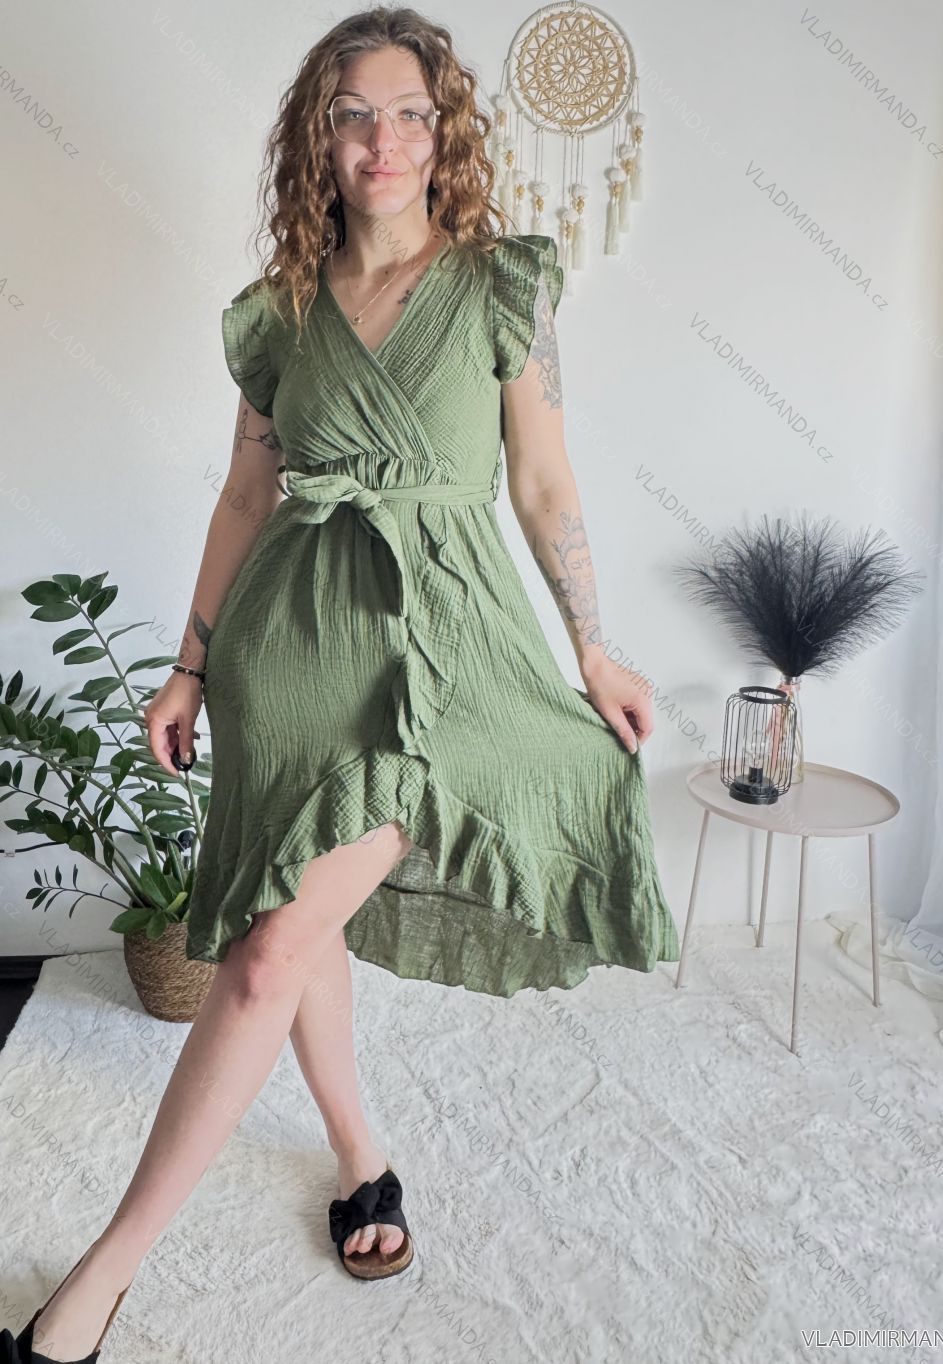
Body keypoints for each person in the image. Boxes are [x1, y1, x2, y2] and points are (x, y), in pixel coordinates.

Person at [2, 7, 679, 1359]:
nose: (384, 141)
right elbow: (245, 495)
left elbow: (542, 481)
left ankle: (105, 1271)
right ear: (319, 136)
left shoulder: (503, 287)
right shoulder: (280, 314)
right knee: (287, 935)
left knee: (262, 958)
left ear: (445, 132)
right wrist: (190, 665)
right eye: (354, 114)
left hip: (446, 642)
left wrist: (592, 645)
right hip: (287, 648)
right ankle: (362, 1157)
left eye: (410, 113)